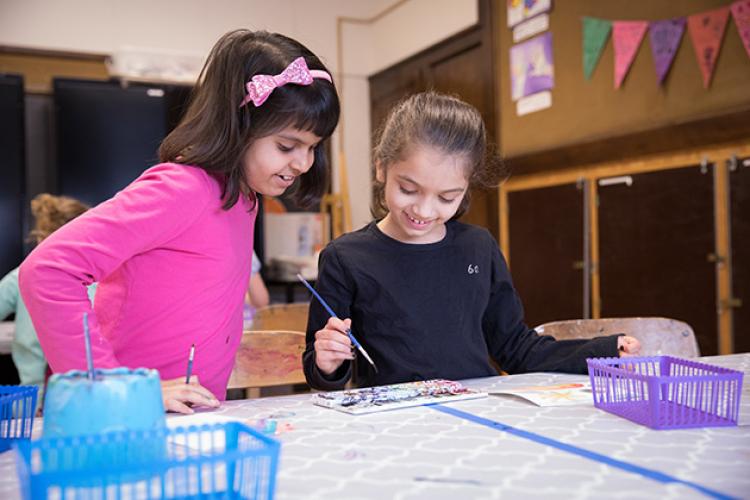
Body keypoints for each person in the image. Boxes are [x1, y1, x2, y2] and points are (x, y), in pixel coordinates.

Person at [20, 29, 340, 413]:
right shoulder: (182, 189)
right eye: (287, 146)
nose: (304, 163)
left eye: (313, 148)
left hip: (186, 419)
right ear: (239, 125)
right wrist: (112, 386)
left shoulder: (245, 199)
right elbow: (48, 269)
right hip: (121, 418)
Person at [303, 91, 639, 390]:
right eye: (408, 189)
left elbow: (516, 349)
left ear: (466, 188)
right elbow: (324, 374)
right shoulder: (345, 258)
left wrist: (603, 352)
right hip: (395, 424)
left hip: (477, 411)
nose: (423, 209)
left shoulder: (478, 247)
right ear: (381, 168)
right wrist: (327, 362)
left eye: (447, 198)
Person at [0, 194, 91, 406]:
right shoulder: (104, 277)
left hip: (34, 401)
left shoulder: (22, 275)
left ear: (42, 239)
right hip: (90, 393)